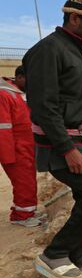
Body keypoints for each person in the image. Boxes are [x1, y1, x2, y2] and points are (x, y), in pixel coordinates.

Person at [23, 0, 82, 278]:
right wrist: (67, 148)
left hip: (80, 140)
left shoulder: (72, 51)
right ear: (74, 18)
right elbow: (43, 106)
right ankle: (54, 255)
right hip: (63, 144)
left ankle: (76, 259)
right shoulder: (49, 49)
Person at [0, 66, 41, 227]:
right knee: (24, 182)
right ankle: (22, 216)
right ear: (20, 77)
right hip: (16, 149)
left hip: (26, 147)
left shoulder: (19, 93)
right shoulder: (4, 94)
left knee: (27, 181)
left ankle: (23, 212)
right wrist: (7, 156)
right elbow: (3, 127)